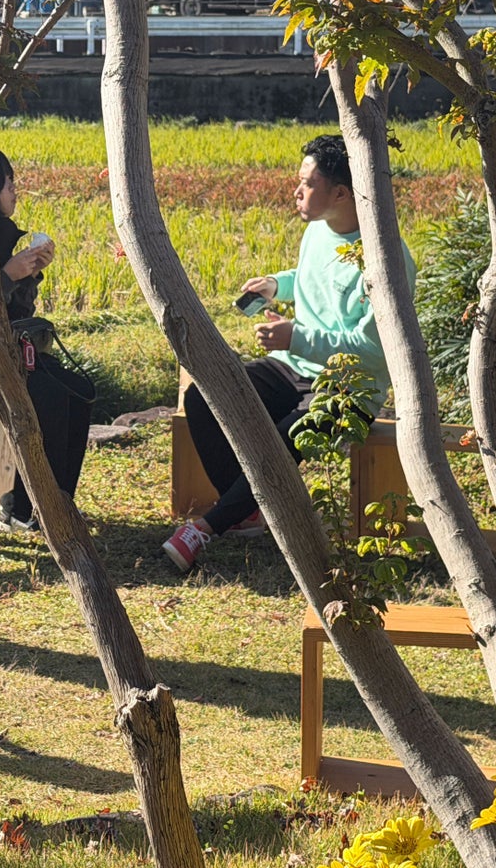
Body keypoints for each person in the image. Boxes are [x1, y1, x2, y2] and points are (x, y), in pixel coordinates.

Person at [162, 134, 414, 573]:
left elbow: (375, 354)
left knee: (285, 435)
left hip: (350, 388)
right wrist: (277, 285)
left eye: (308, 184)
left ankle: (206, 527)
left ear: (341, 193)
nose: (297, 191)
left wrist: (295, 337)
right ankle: (248, 512)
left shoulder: (385, 261)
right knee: (204, 397)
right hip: (291, 368)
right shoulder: (319, 230)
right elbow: (313, 277)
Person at [0, 147, 93, 535]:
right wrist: (6, 275)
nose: (15, 192)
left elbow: (15, 314)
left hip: (12, 353)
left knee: (80, 390)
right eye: (9, 183)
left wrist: (30, 273)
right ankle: (29, 508)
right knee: (50, 397)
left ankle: (56, 502)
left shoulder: (2, 234)